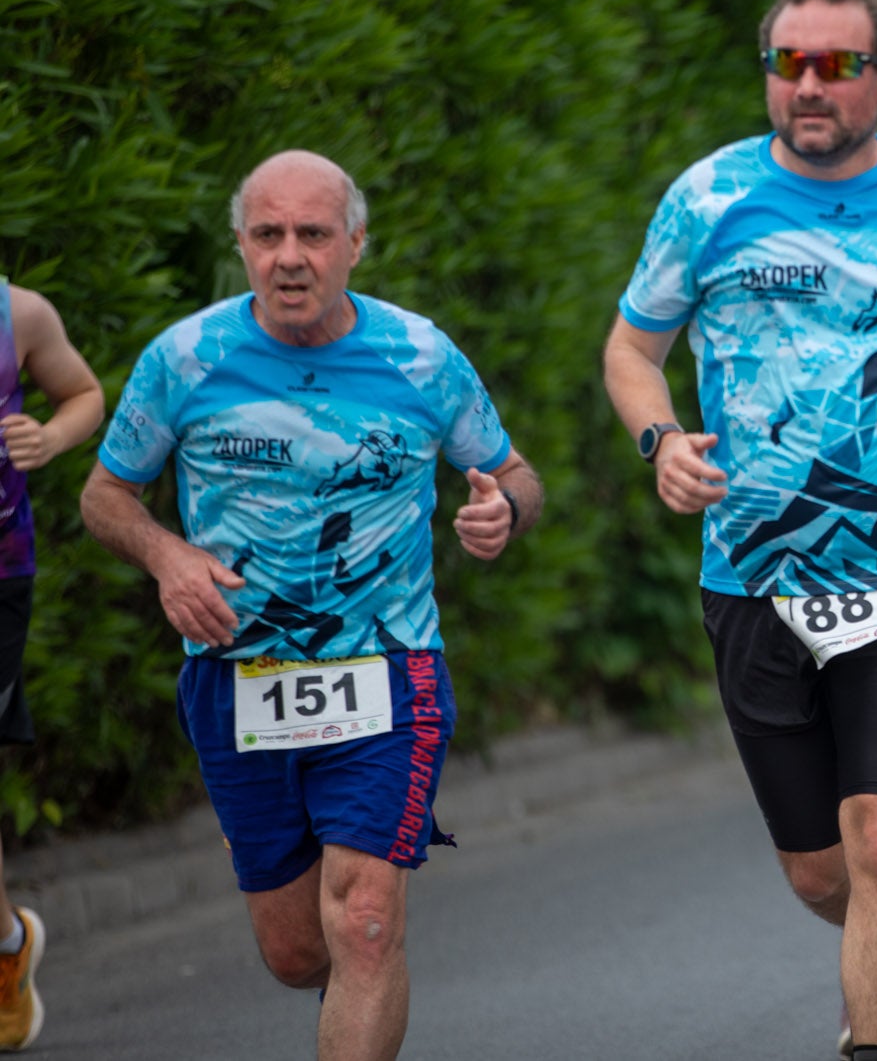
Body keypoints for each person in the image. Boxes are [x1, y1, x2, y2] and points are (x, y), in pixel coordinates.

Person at [601, 0, 877, 1061]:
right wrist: (661, 442)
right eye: (787, 62)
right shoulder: (705, 200)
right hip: (754, 576)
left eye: (836, 65)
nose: (809, 84)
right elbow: (630, 351)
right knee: (821, 870)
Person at [78, 151, 543, 1061]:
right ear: (242, 246)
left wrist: (503, 509)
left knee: (365, 920)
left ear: (356, 244)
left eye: (314, 234)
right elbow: (104, 495)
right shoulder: (185, 359)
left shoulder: (419, 355)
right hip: (238, 677)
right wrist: (167, 553)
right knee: (299, 951)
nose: (290, 256)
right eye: (268, 235)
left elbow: (516, 472)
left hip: (389, 673)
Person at [0, 281, 104, 1051]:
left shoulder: (20, 314)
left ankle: (4, 954)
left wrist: (51, 437)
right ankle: (9, 942)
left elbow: (84, 393)